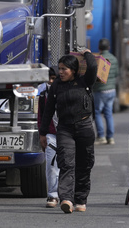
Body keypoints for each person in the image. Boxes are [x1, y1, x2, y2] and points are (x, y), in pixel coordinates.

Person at [39, 49, 97, 214]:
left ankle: (80, 199)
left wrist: (87, 53)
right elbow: (48, 110)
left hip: (85, 128)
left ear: (74, 70)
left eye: (65, 69)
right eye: (60, 68)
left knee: (84, 165)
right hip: (65, 129)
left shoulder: (85, 81)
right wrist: (43, 134)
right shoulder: (57, 85)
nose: (61, 72)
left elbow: (92, 66)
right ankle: (66, 199)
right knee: (66, 163)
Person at [37, 67, 59, 208]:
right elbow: (41, 116)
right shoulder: (43, 94)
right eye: (49, 78)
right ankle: (52, 195)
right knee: (51, 165)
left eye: (54, 78)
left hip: (68, 134)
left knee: (67, 167)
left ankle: (67, 195)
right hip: (51, 134)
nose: (51, 81)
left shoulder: (68, 90)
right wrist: (42, 134)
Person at [93, 38, 119, 145]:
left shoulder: (99, 59)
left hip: (100, 90)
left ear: (99, 48)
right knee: (109, 114)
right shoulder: (114, 59)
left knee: (98, 113)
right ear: (109, 47)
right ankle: (110, 137)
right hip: (111, 90)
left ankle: (101, 136)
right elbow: (116, 74)